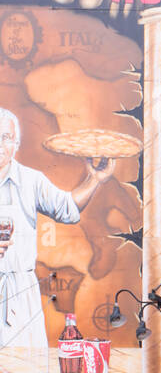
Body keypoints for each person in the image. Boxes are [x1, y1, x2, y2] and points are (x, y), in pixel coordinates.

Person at [0, 107, 115, 349]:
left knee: (25, 370)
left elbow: (67, 209)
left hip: (19, 294)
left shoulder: (31, 180)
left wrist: (94, 179)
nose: (0, 144)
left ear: (16, 144)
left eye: (6, 138)